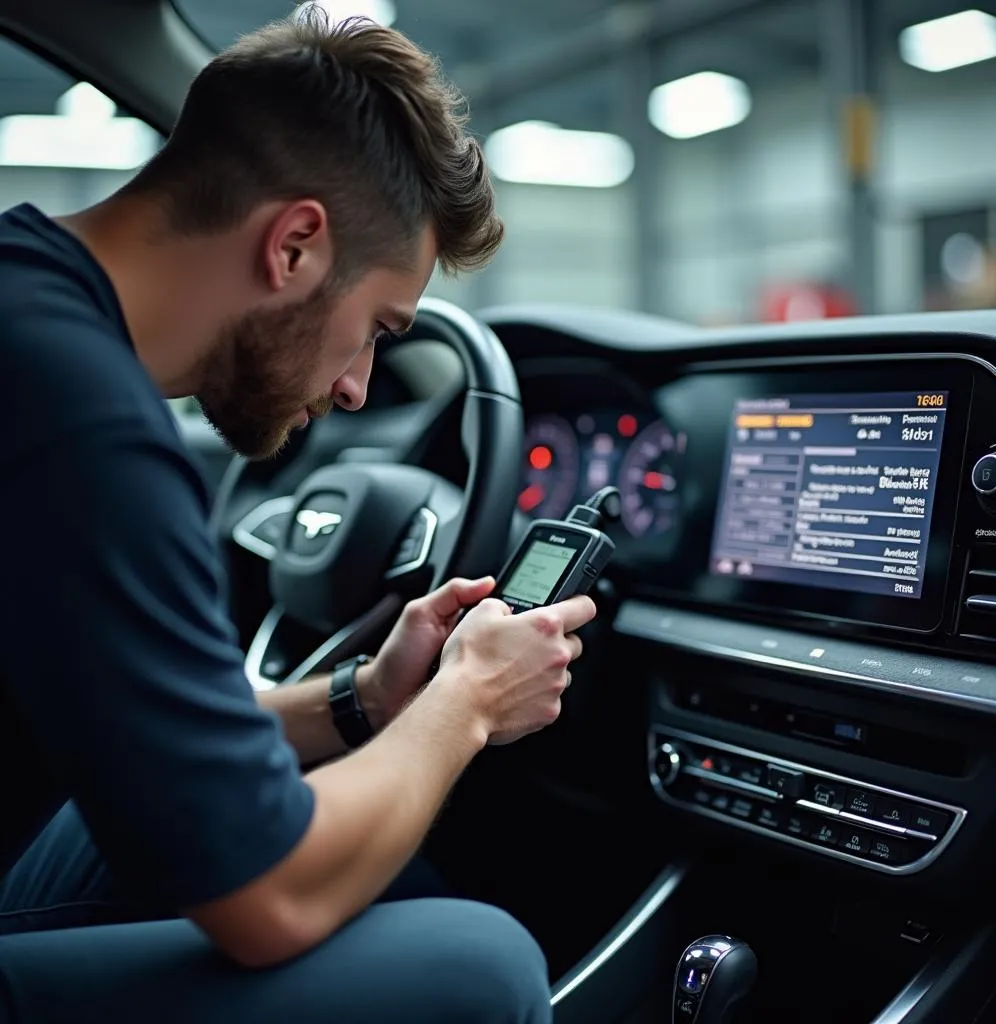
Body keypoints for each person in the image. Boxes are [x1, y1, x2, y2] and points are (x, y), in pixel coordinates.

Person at [0, 8, 596, 1023]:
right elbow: (267, 899)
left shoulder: (29, 306)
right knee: (482, 964)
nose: (362, 386)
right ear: (293, 246)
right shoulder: (88, 432)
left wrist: (363, 700)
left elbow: (163, 743)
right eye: (377, 330)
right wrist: (469, 704)